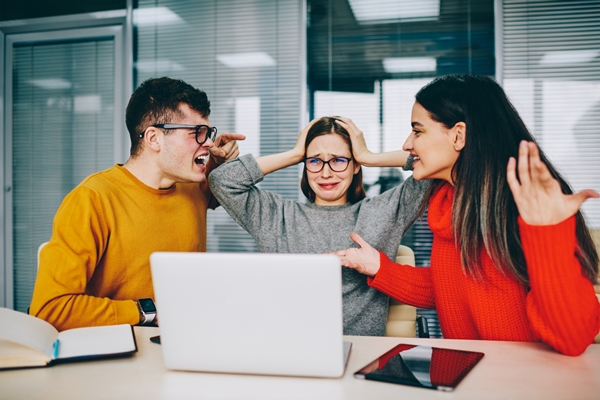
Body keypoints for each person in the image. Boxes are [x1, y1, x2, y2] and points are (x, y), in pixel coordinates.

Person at [335, 74, 600, 356]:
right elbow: (449, 289)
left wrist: (548, 231)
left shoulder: (524, 204)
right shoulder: (450, 200)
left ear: (459, 135)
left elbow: (573, 337)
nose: (406, 144)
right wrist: (378, 267)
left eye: (417, 131)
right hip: (467, 378)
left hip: (525, 382)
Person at [30, 77, 245, 331]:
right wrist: (148, 310)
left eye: (208, 133)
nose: (208, 142)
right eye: (196, 133)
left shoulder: (192, 187)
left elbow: (223, 191)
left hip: (191, 336)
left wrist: (219, 163)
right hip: (123, 352)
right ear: (154, 138)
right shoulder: (92, 199)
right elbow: (50, 309)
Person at [208, 117, 430, 336]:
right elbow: (222, 180)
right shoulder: (275, 216)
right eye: (315, 161)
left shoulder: (384, 212)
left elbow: (433, 163)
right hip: (288, 356)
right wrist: (294, 154)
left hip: (363, 358)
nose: (325, 173)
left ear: (355, 166)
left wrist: (367, 156)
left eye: (338, 160)